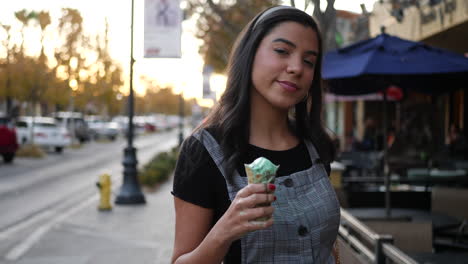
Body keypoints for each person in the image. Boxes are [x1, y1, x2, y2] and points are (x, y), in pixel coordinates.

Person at [171, 6, 340, 264]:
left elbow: (328, 245)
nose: (296, 68)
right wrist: (223, 232)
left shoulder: (315, 145)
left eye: (309, 61)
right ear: (249, 55)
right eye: (282, 51)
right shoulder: (204, 151)